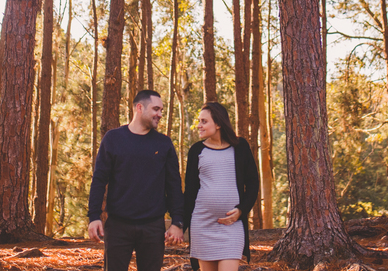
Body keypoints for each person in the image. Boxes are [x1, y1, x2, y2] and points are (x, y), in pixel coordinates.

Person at [88, 89, 186, 271]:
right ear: (139, 108)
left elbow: (173, 186)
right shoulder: (113, 139)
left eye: (162, 110)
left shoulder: (164, 144)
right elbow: (99, 179)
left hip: (152, 226)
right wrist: (94, 216)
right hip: (118, 226)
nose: (160, 114)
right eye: (156, 109)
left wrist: (177, 222)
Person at [182, 102, 260, 271]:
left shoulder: (240, 147)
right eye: (199, 121)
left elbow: (253, 183)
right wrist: (180, 226)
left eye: (204, 121)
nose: (199, 125)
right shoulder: (196, 151)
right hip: (202, 225)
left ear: (218, 123)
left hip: (231, 226)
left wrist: (241, 210)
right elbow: (190, 193)